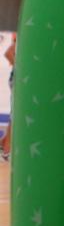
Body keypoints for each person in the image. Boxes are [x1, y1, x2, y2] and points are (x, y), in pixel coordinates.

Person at [2, 33, 15, 162]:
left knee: (14, 115)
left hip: (16, 78)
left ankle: (5, 146)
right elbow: (8, 53)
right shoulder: (20, 38)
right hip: (16, 78)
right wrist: (19, 67)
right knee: (14, 115)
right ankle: (6, 151)